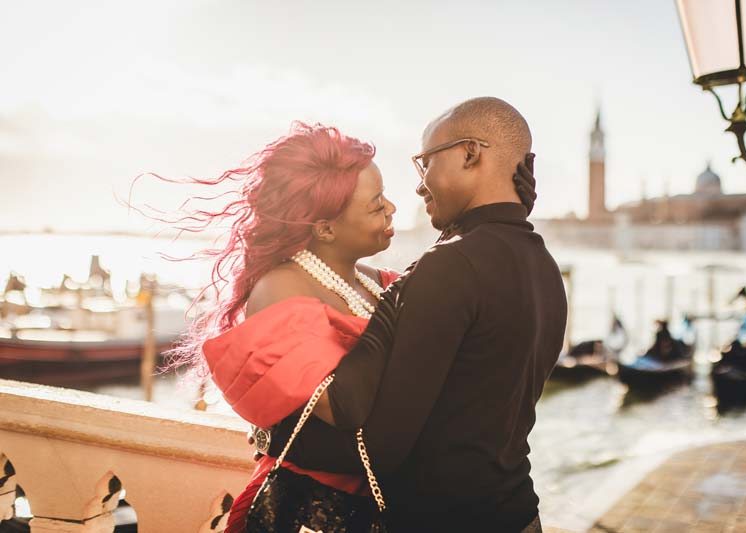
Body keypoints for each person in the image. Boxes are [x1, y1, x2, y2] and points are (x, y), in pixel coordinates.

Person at [177, 120, 535, 532]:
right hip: (311, 512)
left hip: (383, 506)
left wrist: (496, 214)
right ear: (326, 228)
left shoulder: (378, 281)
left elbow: (443, 295)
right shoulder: (282, 288)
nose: (392, 208)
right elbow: (348, 411)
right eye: (376, 203)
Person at [271, 97, 567, 533]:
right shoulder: (543, 266)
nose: (419, 185)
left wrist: (275, 436)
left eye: (425, 163)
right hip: (518, 513)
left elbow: (379, 447)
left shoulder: (451, 267)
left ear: (470, 154)